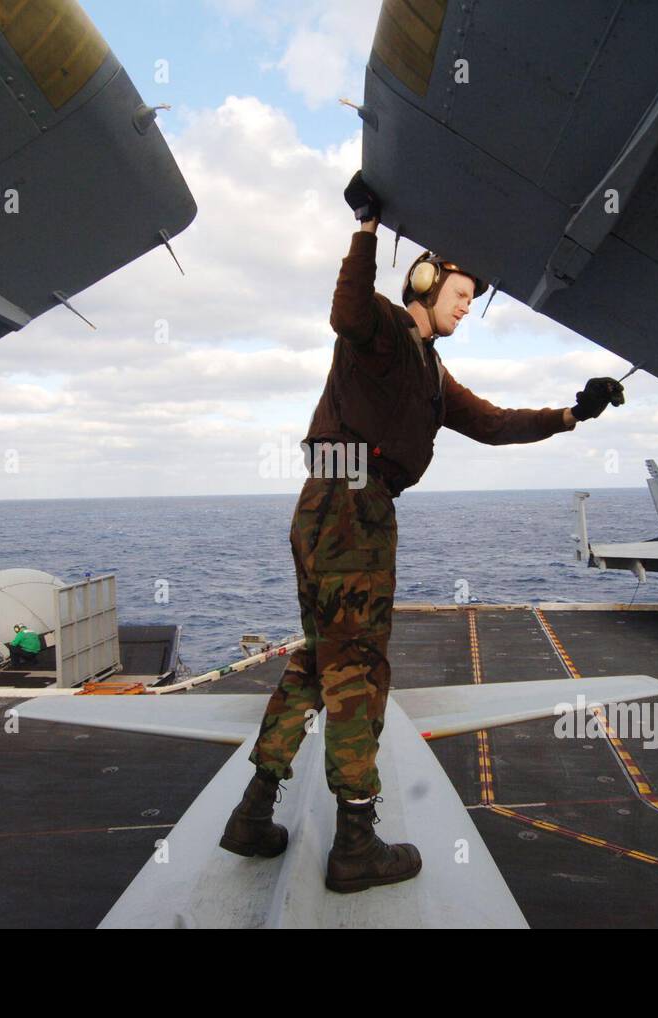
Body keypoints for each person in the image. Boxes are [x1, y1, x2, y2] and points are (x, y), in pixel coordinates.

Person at [218, 171, 625, 893]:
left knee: (319, 660)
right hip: (353, 509)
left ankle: (253, 812)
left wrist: (573, 413)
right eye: (462, 297)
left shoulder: (433, 375)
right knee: (358, 672)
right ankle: (354, 845)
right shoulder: (380, 331)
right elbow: (345, 307)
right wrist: (366, 229)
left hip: (326, 505)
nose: (467, 310)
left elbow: (497, 425)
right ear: (428, 282)